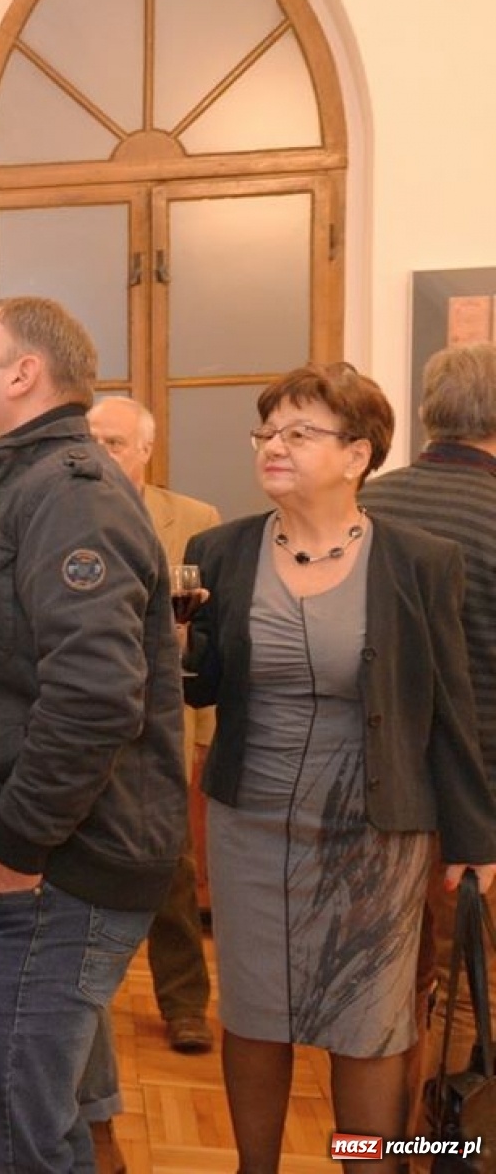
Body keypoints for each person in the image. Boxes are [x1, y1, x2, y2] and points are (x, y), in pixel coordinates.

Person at [0, 296, 188, 1172]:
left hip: (50, 868)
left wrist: (12, 852)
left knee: (14, 1140)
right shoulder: (17, 488)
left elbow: (95, 698)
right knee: (34, 1117)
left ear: (22, 375)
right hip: (35, 864)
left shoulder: (66, 495)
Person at [183, 361, 496, 1172]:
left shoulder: (417, 561)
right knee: (253, 1014)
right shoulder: (216, 551)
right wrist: (176, 650)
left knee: (365, 1024)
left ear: (357, 454)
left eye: (297, 432)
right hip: (248, 823)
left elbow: (448, 710)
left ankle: (367, 1162)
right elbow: (202, 685)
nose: (272, 446)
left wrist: (473, 839)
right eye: (266, 431)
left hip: (375, 827)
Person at [356, 342, 496, 1125]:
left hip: (377, 791)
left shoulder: (368, 507)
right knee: (471, 997)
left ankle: (385, 1146)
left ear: (424, 410)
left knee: (389, 995)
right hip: (480, 802)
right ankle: (447, 1142)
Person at [88, 395, 219, 1055]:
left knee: (172, 863)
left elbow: (212, 636)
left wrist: (198, 732)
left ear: (144, 450)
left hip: (160, 715)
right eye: (92, 440)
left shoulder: (193, 521)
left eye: (114, 442)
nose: (101, 453)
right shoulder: (64, 511)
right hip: (81, 713)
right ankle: (85, 1010)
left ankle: (185, 1005)